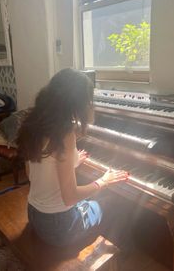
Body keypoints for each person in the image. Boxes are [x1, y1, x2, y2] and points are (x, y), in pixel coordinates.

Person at [17, 68, 128, 248]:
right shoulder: (64, 133)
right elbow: (70, 198)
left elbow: (32, 172)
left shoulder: (33, 125)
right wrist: (104, 181)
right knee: (113, 203)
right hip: (59, 228)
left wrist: (71, 162)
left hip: (35, 214)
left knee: (90, 201)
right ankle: (113, 254)